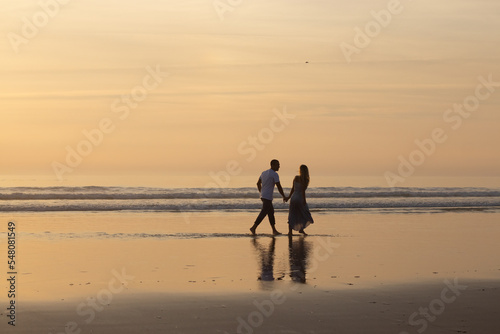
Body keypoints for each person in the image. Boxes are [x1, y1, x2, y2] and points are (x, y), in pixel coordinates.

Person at [250, 159, 286, 235]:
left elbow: (258, 183)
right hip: (267, 197)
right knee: (264, 212)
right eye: (277, 165)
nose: (279, 166)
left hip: (264, 196)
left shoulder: (264, 172)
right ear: (272, 165)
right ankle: (253, 227)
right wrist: (283, 196)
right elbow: (279, 186)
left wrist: (261, 192)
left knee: (271, 213)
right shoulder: (274, 174)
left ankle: (274, 230)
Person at [285, 165, 314, 236]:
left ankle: (290, 232)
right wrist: (304, 200)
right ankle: (301, 229)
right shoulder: (305, 179)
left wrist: (288, 197)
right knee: (304, 213)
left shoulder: (296, 178)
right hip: (300, 198)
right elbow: (303, 191)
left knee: (292, 214)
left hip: (293, 198)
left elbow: (293, 189)